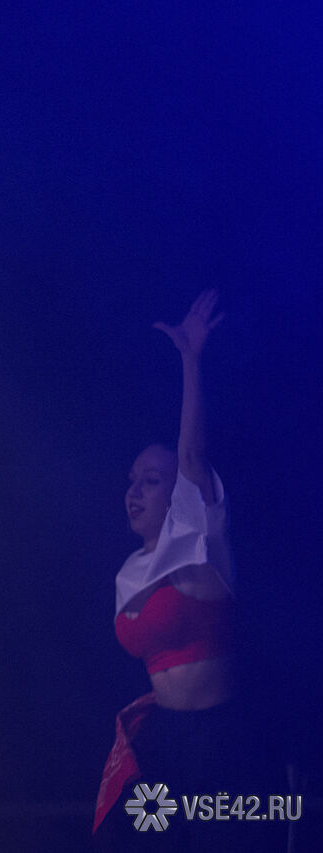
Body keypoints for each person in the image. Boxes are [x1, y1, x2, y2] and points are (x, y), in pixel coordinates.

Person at [93, 291, 283, 851]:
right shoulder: (129, 572)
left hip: (221, 739)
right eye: (132, 481)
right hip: (163, 745)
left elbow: (192, 455)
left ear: (178, 493)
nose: (134, 491)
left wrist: (190, 359)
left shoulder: (202, 542)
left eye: (151, 481)